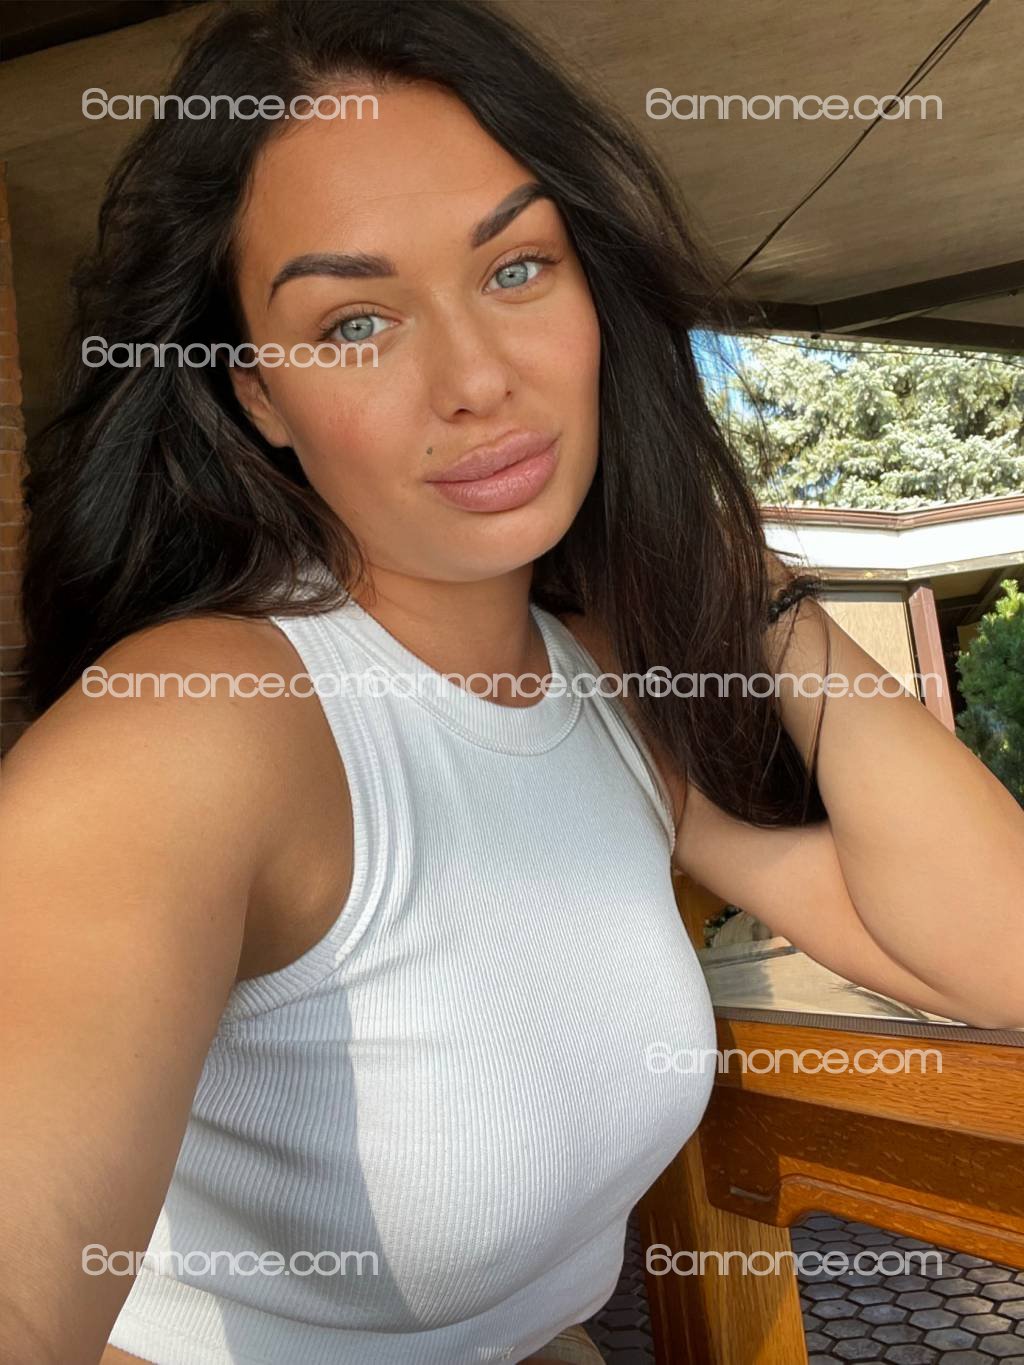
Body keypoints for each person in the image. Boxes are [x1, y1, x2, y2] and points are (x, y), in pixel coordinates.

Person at [4, 2, 1023, 1363]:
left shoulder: (597, 686)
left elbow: (998, 954)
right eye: (355, 321)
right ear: (258, 395)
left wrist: (737, 576)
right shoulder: (194, 727)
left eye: (518, 267)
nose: (476, 379)